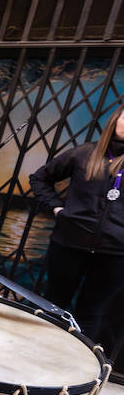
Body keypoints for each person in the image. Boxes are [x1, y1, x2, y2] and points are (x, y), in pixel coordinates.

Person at [29, 103, 124, 351]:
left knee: (91, 312)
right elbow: (40, 178)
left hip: (115, 255)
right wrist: (57, 209)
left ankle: (75, 369)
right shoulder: (84, 154)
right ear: (115, 120)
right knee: (53, 303)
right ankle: (31, 355)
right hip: (69, 244)